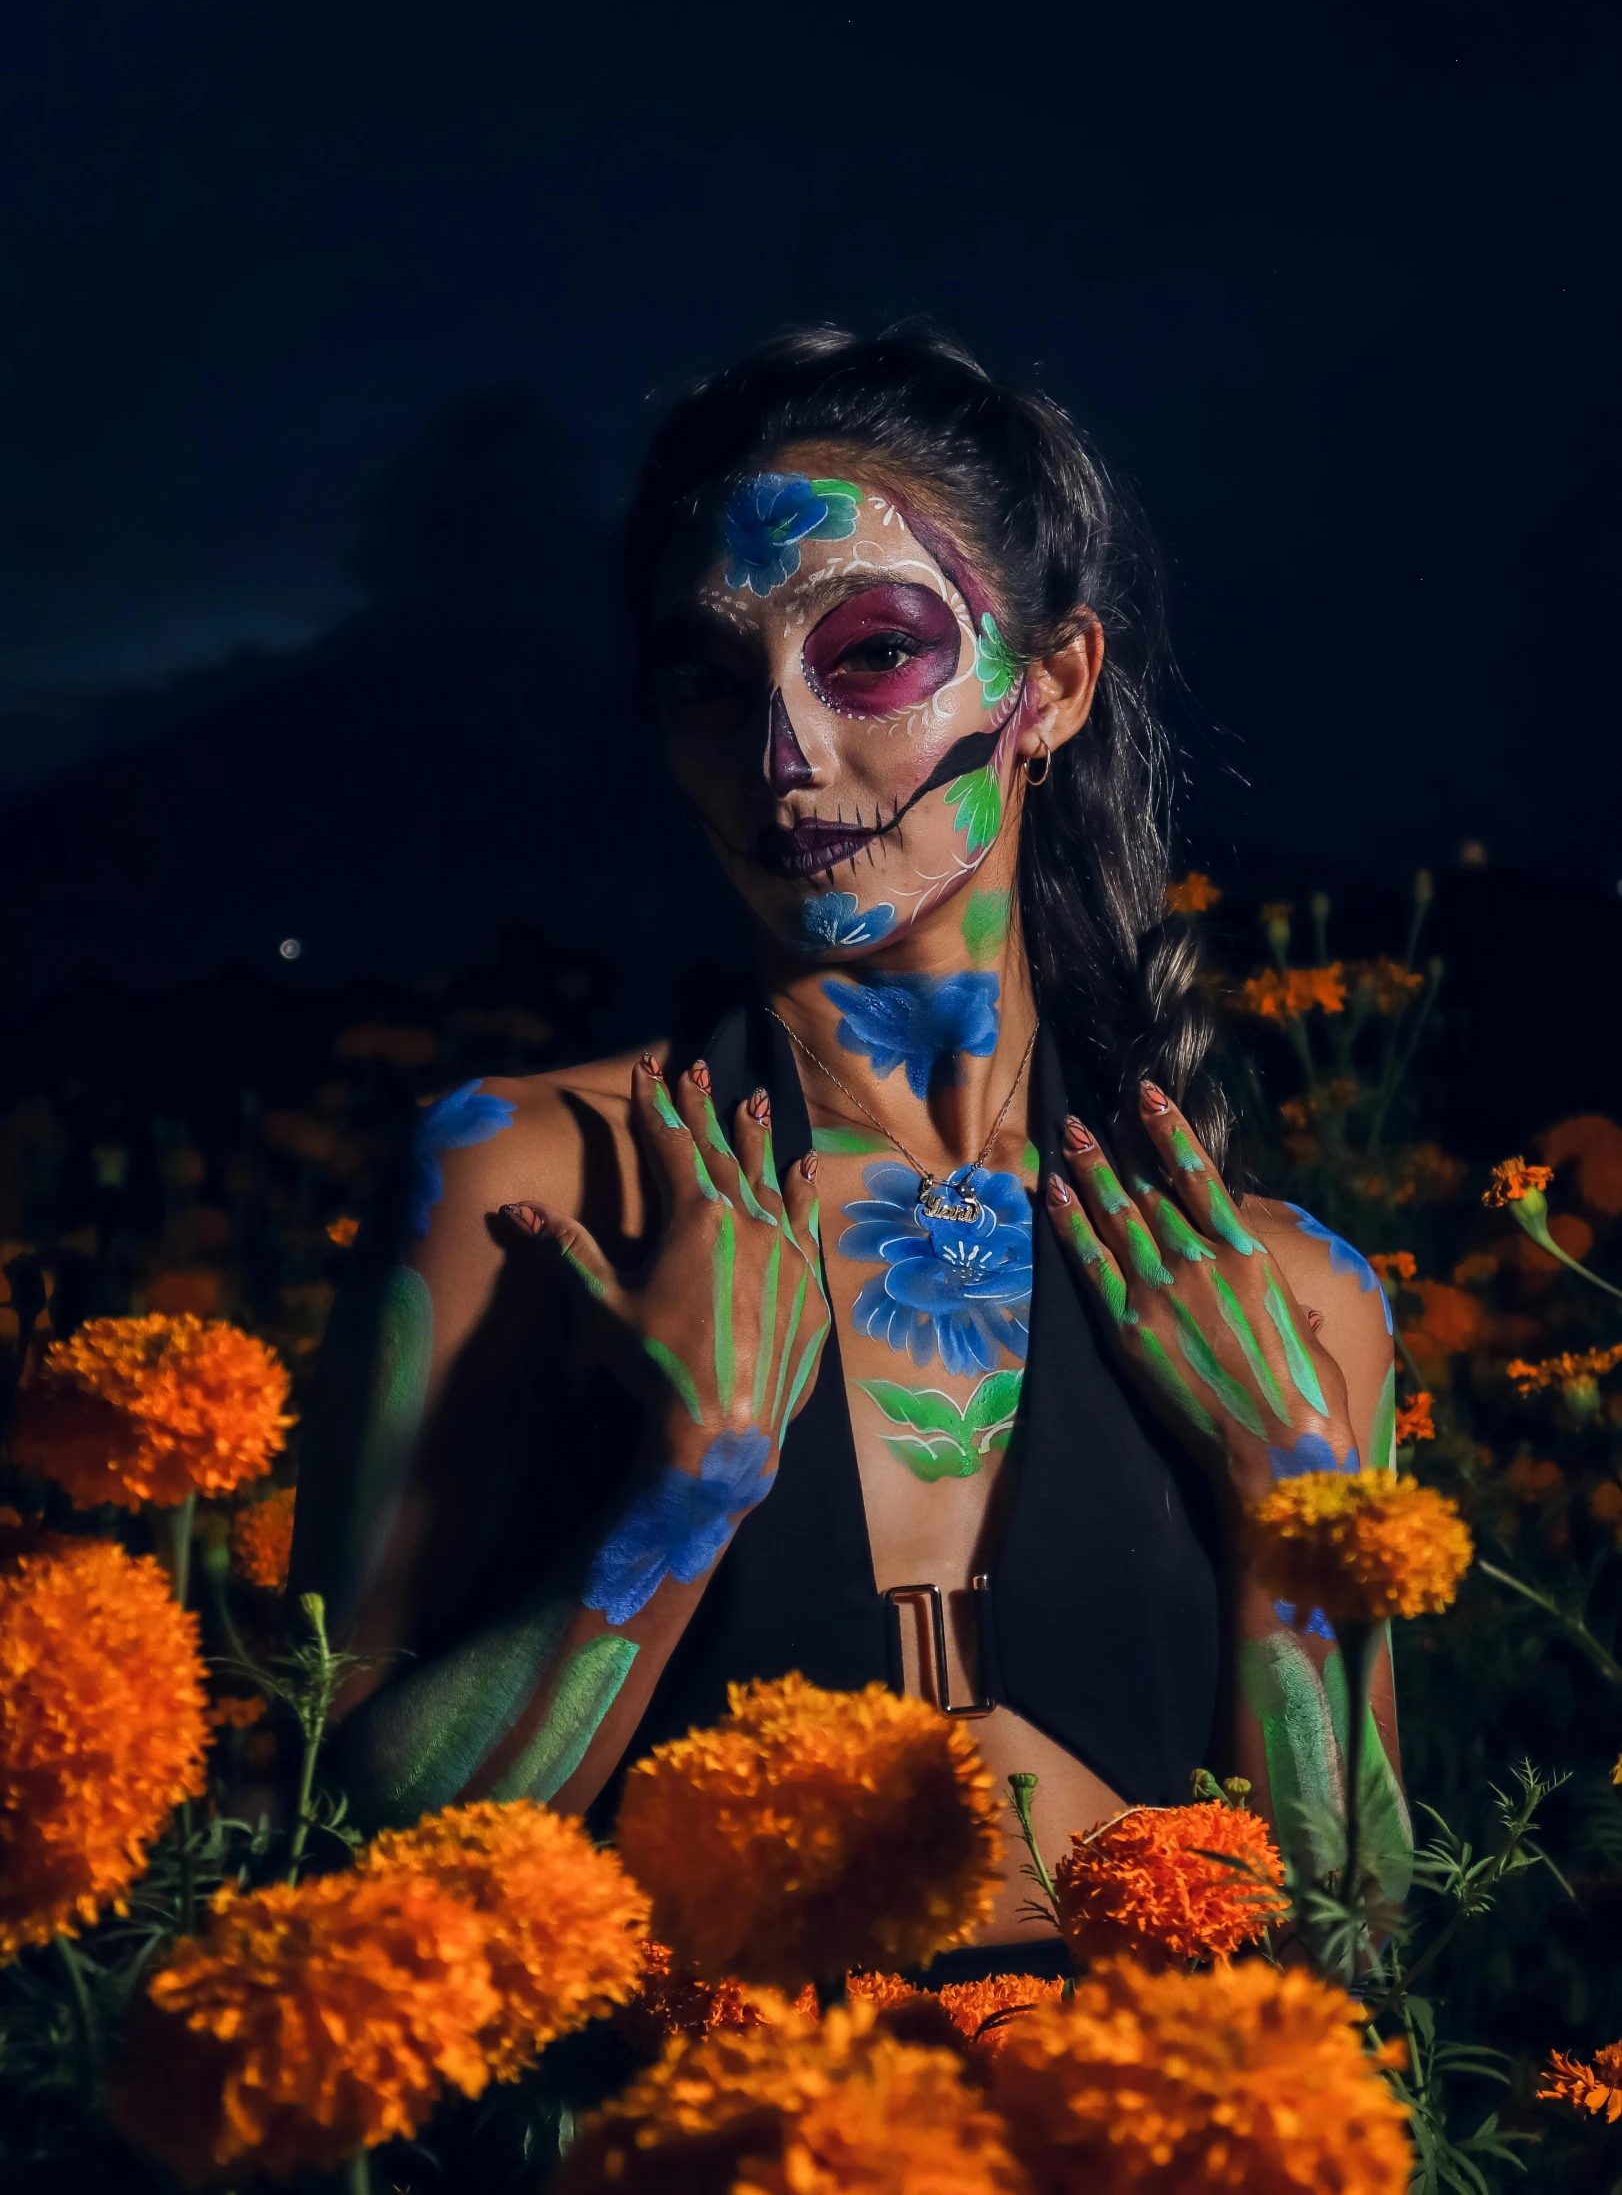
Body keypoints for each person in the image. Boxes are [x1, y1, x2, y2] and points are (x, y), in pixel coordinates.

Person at [290, 324, 1407, 1959]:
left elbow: (1371, 1941)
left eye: (869, 651)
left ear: (1052, 686)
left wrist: (1286, 1493)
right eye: (708, 680)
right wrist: (683, 1492)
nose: (782, 756)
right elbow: (328, 1860)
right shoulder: (532, 1188)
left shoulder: (1293, 1298)